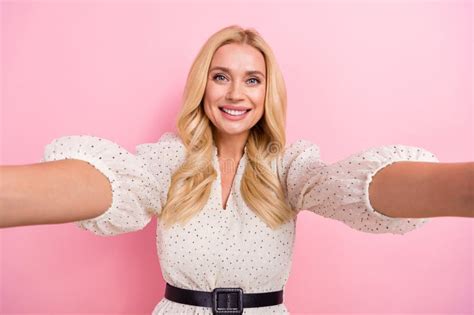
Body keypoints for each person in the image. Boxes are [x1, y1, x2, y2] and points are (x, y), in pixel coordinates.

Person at [1, 25, 472, 315]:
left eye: (252, 79)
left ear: (268, 93)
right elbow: (112, 185)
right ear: (202, 85)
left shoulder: (290, 165)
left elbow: (341, 187)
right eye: (221, 75)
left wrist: (459, 189)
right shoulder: (170, 160)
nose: (235, 94)